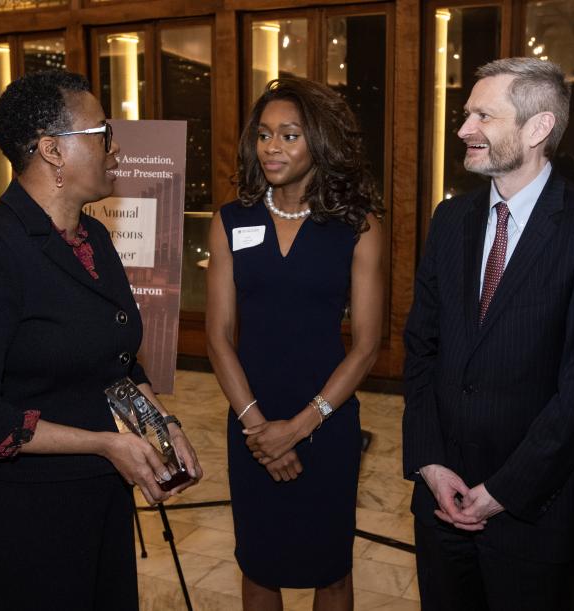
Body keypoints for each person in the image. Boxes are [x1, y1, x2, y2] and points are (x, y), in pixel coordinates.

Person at [0, 70, 202, 610]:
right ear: (52, 150)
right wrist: (107, 442)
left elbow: (113, 363)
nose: (115, 144)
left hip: (98, 488)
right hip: (25, 504)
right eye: (102, 131)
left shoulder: (94, 237)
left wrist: (161, 428)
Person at [402, 57, 574, 610]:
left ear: (537, 128)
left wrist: (503, 491)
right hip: (440, 497)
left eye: (484, 115)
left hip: (533, 510)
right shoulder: (449, 218)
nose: (463, 129)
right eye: (465, 114)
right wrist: (430, 463)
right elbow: (420, 347)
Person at [206, 77, 384, 610]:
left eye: (289, 135)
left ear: (320, 144)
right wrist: (260, 430)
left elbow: (368, 345)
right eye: (264, 135)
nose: (272, 147)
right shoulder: (231, 220)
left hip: (325, 424)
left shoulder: (358, 226)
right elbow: (217, 338)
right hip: (251, 421)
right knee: (260, 567)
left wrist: (301, 427)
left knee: (330, 570)